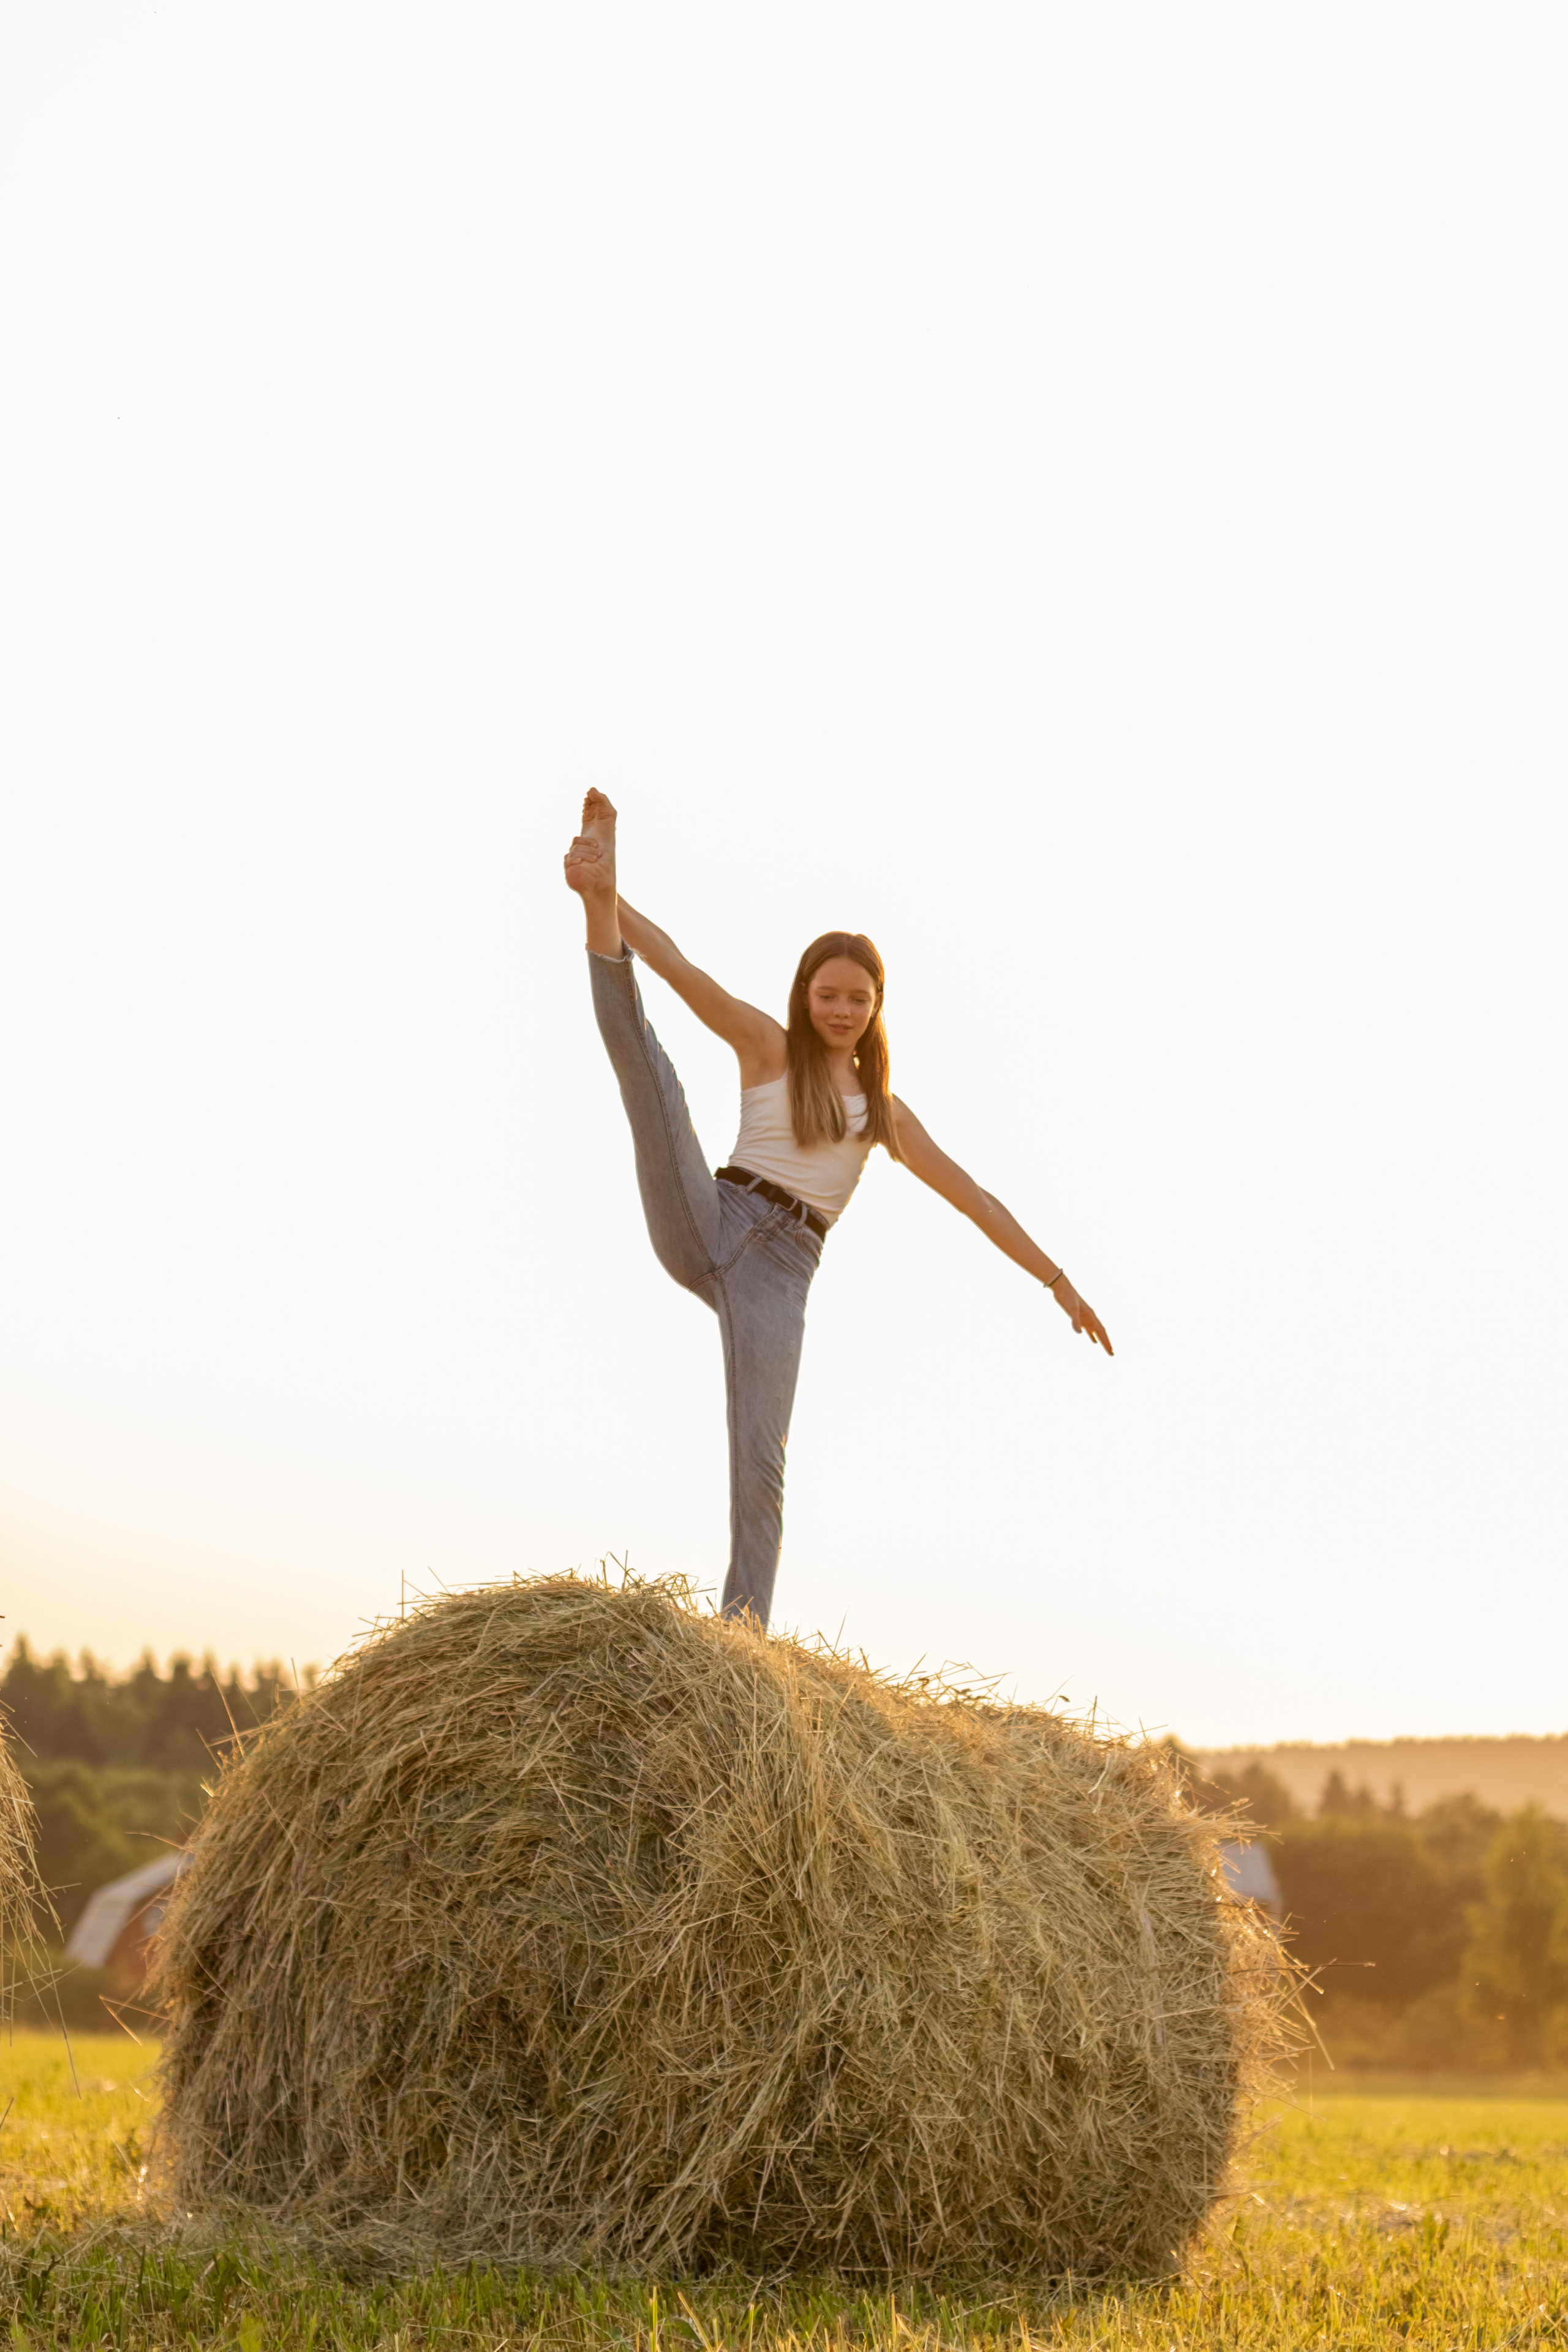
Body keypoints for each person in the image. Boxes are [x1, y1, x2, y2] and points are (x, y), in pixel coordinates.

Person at [565, 790, 1112, 1629]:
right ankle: (594, 903)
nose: (842, 1010)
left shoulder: (884, 1114)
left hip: (781, 1279)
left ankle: (740, 1645)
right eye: (828, 994)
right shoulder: (768, 1046)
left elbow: (975, 1199)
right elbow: (678, 968)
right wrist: (610, 895)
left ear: (877, 1006)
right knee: (652, 1077)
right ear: (805, 994)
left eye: (858, 998)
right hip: (711, 1215)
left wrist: (1058, 1282)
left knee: (761, 1469)